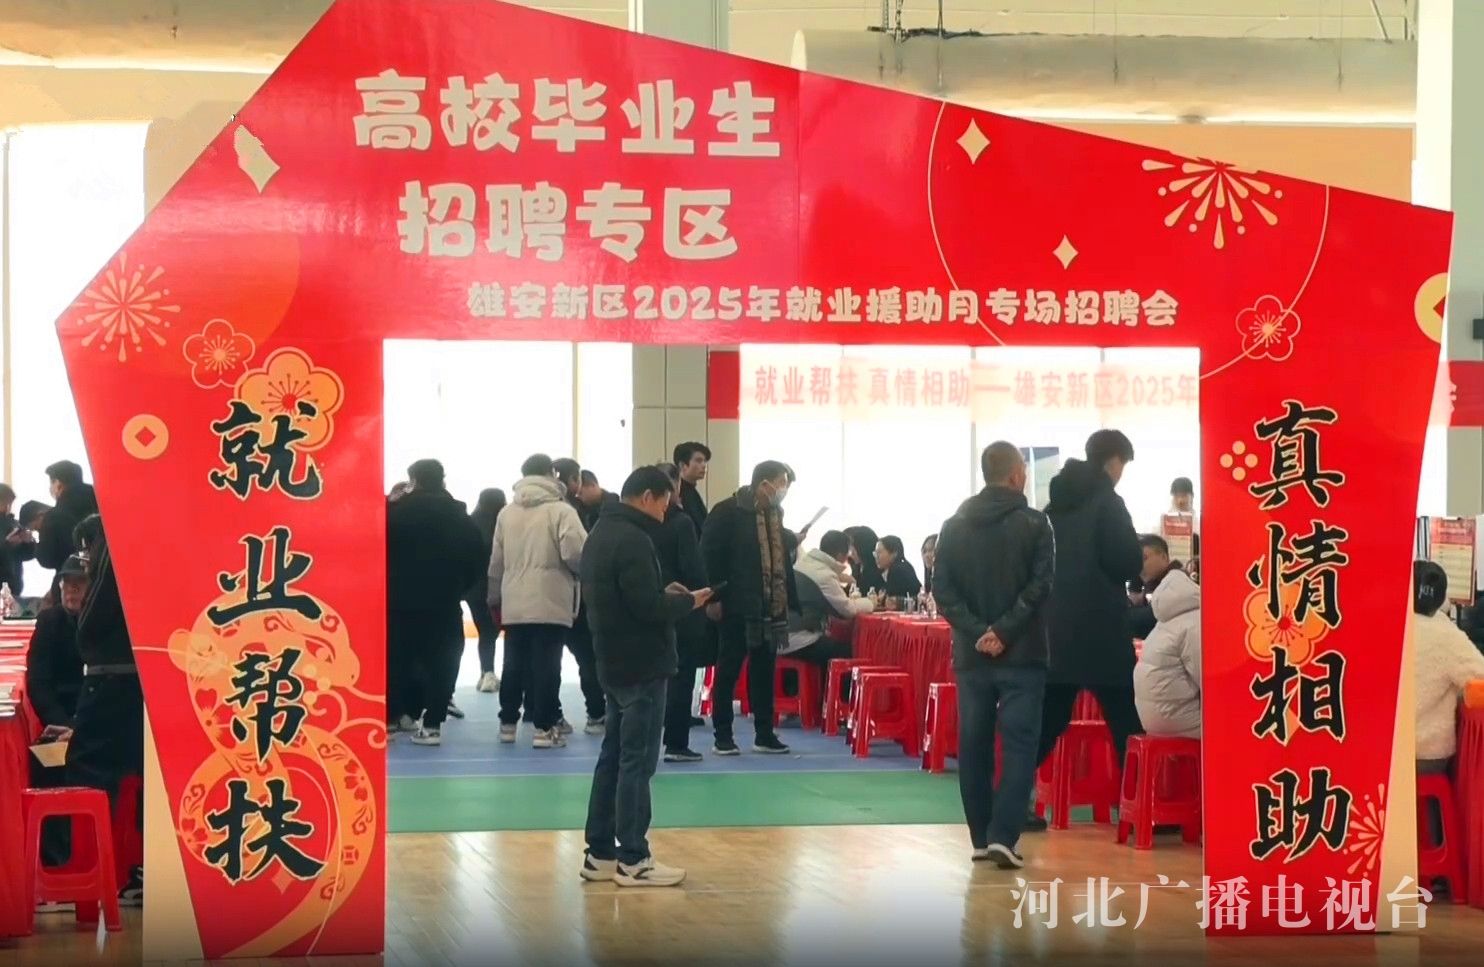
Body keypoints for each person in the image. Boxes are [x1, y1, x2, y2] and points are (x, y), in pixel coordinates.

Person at [579, 466, 712, 887]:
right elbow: (648, 609)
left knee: (613, 757)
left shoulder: (601, 533)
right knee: (637, 762)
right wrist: (688, 602)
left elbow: (628, 598)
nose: (668, 510)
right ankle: (634, 858)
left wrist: (663, 594)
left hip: (611, 660)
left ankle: (600, 853)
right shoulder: (634, 539)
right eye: (666, 501)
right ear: (648, 497)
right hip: (643, 664)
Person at [934, 442, 1054, 869]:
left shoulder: (953, 526)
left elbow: (942, 590)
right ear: (1017, 475)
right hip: (1023, 654)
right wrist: (1004, 630)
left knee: (974, 745)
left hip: (972, 656)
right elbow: (1040, 586)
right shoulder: (1037, 523)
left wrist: (977, 631)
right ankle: (1005, 835)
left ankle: (980, 837)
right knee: (1020, 745)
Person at [1035, 430, 1144, 831]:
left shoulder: (1054, 506)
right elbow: (1126, 561)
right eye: (1123, 465)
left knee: (1047, 720)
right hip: (1101, 630)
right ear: (1113, 461)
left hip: (1056, 629)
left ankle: (1009, 800)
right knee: (1126, 719)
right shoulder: (1108, 502)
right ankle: (1135, 807)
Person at [66, 514, 144, 903]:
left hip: (112, 674)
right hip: (144, 672)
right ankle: (141, 866)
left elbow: (97, 612)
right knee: (146, 773)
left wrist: (83, 628)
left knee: (86, 769)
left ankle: (87, 873)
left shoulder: (115, 537)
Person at [489, 453, 587, 748]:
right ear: (551, 474)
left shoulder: (506, 513)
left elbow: (496, 562)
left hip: (514, 600)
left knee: (513, 664)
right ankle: (544, 728)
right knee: (547, 666)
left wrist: (495, 597)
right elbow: (575, 553)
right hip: (551, 599)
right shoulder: (562, 511)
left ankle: (507, 723)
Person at [702, 460, 798, 756]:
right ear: (764, 484)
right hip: (736, 604)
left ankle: (764, 733)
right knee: (728, 670)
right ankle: (723, 735)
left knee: (764, 671)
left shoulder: (775, 515)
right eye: (781, 483)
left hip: (769, 608)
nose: (783, 490)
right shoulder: (727, 511)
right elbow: (709, 555)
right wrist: (713, 598)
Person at [386, 460, 485, 746]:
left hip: (399, 601)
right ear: (442, 479)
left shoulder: (395, 515)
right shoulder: (459, 516)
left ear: (413, 480)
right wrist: (459, 588)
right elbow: (477, 558)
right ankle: (432, 724)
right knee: (444, 661)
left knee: (397, 659)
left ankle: (392, 718)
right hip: (444, 600)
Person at [25, 554, 86, 866]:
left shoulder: (108, 624)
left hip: (98, 718)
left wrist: (81, 726)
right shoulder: (49, 621)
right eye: (67, 584)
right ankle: (55, 859)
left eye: (79, 584)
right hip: (61, 719)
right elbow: (38, 683)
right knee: (45, 760)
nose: (71, 590)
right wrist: (64, 724)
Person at [653, 463, 711, 763]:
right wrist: (704, 595)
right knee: (681, 674)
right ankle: (676, 742)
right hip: (682, 606)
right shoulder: (681, 522)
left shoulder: (640, 523)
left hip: (648, 606)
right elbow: (693, 567)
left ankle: (648, 741)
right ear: (675, 486)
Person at [1412, 561, 1484, 773]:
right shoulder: (1446, 634)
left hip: (1383, 747)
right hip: (1426, 754)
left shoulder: (1384, 623)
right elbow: (1478, 674)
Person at [785, 529, 874, 670]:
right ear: (840, 555)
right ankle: (838, 686)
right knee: (851, 652)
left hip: (783, 635)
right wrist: (870, 602)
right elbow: (848, 610)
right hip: (798, 639)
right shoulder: (825, 575)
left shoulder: (802, 563)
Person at [1132, 565, 1201, 739]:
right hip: (1178, 720)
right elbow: (1206, 679)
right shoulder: (1194, 623)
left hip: (1151, 720)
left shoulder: (1163, 624)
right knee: (1236, 726)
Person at [37, 461, 98, 603]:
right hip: (102, 583)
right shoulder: (102, 505)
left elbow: (47, 558)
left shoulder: (54, 516)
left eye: (51, 484)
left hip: (70, 584)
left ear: (58, 484)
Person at [469, 488, 507, 694]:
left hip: (474, 590)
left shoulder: (470, 523)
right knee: (498, 632)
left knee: (485, 631)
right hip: (499, 587)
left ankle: (486, 672)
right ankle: (492, 674)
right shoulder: (503, 525)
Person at [1127, 534, 1183, 641]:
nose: (1139, 566)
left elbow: (1150, 618)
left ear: (1164, 557)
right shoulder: (1153, 584)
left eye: (1144, 558)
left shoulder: (1176, 583)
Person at [1, 483, 37, 599]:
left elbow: (26, 555)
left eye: (10, 503)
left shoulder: (14, 524)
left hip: (13, 586)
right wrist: (6, 544)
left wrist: (28, 542)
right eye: (5, 502)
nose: (8, 507)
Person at [674, 442, 711, 534]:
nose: (704, 465)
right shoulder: (678, 493)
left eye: (705, 461)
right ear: (682, 465)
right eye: (698, 461)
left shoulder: (691, 490)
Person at [872, 535, 923, 601]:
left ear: (894, 553)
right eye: (875, 553)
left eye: (879, 552)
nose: (876, 556)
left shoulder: (898, 570)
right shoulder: (889, 570)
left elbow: (891, 600)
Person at [844, 525, 883, 595]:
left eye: (852, 546)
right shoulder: (857, 567)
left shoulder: (878, 568)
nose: (850, 552)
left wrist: (853, 583)